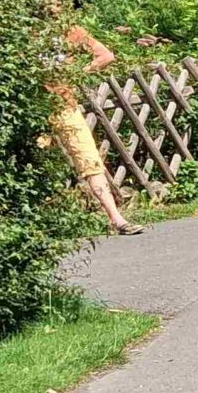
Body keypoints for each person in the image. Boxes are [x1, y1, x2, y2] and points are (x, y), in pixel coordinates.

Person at [48, 23, 139, 236]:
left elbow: (105, 56)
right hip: (32, 108)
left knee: (89, 160)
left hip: (64, 106)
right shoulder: (24, 30)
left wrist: (77, 76)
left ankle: (117, 219)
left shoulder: (70, 30)